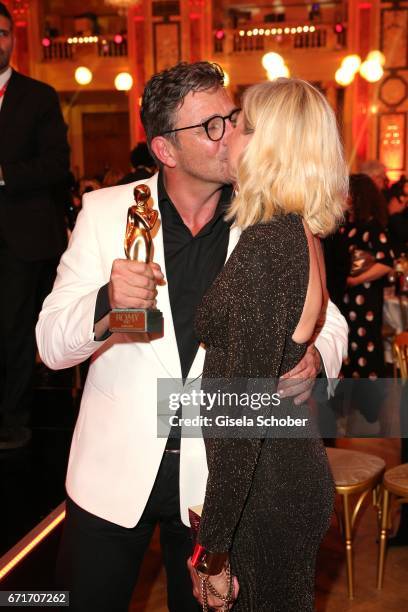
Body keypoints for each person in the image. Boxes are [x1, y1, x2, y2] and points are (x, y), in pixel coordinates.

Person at [36, 62, 348, 612]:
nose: (231, 133)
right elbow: (50, 345)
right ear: (165, 150)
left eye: (232, 117)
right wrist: (106, 304)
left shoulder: (264, 215)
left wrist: (315, 359)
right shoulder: (107, 212)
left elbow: (332, 320)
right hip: (111, 474)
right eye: (211, 126)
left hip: (215, 484)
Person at [187, 78, 347, 611]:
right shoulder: (295, 232)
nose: (227, 135)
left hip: (267, 487)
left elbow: (242, 410)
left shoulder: (269, 243)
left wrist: (211, 551)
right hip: (279, 473)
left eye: (242, 125)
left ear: (271, 146)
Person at [0, 2, 70, 450]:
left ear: (12, 38)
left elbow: (55, 165)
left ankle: (12, 422)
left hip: (18, 238)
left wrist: (3, 173)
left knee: (11, 331)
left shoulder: (38, 96)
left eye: (3, 33)